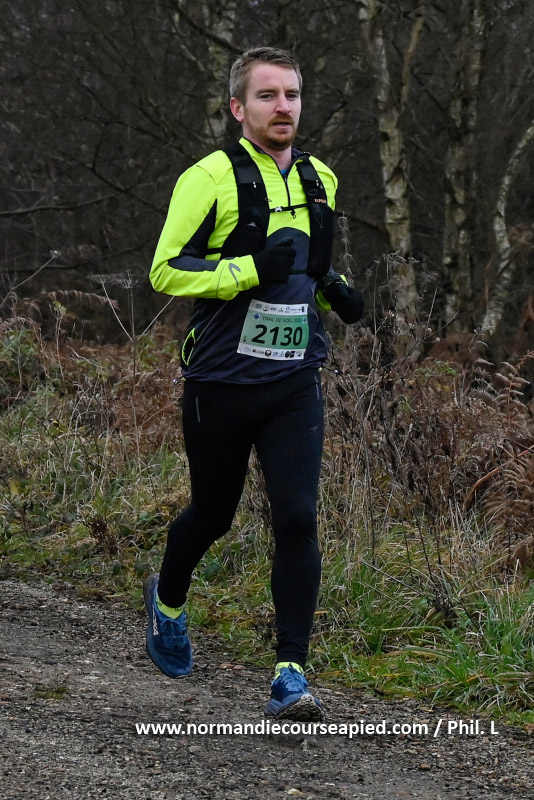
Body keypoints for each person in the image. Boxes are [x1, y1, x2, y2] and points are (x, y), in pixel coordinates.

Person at [145, 46, 363, 722]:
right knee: (213, 515)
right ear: (239, 108)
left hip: (294, 380)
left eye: (292, 94)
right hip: (220, 380)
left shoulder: (321, 179)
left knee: (297, 517)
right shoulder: (208, 177)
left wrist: (334, 291)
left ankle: (290, 674)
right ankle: (168, 600)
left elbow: (306, 270)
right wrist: (245, 271)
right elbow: (165, 270)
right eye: (267, 96)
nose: (283, 107)